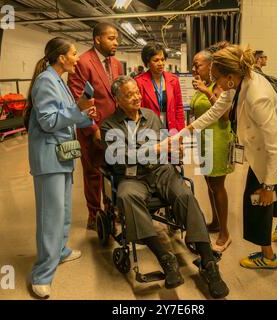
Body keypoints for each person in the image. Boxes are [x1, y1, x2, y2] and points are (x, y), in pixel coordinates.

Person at [98, 76, 229, 299]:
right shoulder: (109, 125)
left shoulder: (151, 116)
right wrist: (156, 149)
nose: (136, 97)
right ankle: (165, 259)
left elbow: (164, 142)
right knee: (127, 197)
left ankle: (208, 262)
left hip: (161, 171)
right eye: (129, 95)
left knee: (185, 194)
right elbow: (119, 158)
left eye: (137, 92)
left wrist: (172, 150)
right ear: (117, 99)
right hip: (133, 177)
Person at [184, 45, 277, 269]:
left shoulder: (258, 97)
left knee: (257, 201)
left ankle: (267, 257)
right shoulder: (238, 79)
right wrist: (190, 129)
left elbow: (273, 146)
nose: (215, 83)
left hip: (269, 151)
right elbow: (218, 109)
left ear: (229, 76)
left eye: (217, 79)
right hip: (270, 147)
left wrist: (267, 186)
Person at [25, 37, 96, 298]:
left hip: (62, 154)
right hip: (49, 158)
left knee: (64, 209)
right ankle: (42, 274)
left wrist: (83, 112)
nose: (77, 58)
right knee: (50, 216)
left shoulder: (59, 81)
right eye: (74, 54)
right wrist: (78, 109)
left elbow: (64, 112)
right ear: (61, 57)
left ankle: (61, 250)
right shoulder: (46, 80)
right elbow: (47, 120)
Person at [68, 23, 123, 230]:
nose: (116, 42)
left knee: (114, 170)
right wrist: (93, 129)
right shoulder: (83, 62)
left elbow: (117, 94)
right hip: (92, 129)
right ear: (97, 39)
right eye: (111, 38)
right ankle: (94, 214)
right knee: (93, 173)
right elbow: (78, 100)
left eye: (116, 38)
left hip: (115, 127)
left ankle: (111, 209)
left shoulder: (116, 64)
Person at [191, 48, 234, 252]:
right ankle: (216, 222)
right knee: (209, 184)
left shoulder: (220, 85)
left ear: (210, 66)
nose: (194, 68)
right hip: (204, 140)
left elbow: (225, 115)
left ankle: (225, 233)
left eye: (197, 64)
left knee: (218, 186)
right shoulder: (206, 84)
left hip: (217, 141)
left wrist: (207, 92)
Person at [135, 44, 185, 133]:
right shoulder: (139, 82)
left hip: (171, 127)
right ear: (147, 62)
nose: (161, 63)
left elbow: (179, 107)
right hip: (149, 129)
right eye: (156, 60)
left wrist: (180, 131)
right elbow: (137, 111)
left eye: (162, 59)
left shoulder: (173, 80)